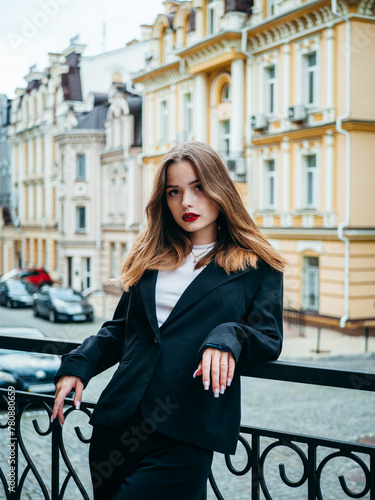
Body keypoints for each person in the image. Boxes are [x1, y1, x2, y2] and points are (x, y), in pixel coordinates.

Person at [52, 141, 286, 500]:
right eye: (174, 192)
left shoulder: (256, 265)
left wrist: (228, 336)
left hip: (185, 432)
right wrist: (79, 363)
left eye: (197, 187)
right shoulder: (152, 258)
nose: (186, 202)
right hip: (117, 427)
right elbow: (120, 331)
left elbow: (268, 336)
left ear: (219, 189)